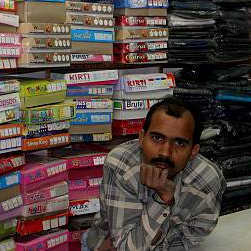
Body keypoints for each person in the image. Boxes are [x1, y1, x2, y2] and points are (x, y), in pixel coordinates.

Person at [84, 97, 226, 250]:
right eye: (157, 138)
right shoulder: (121, 166)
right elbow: (126, 248)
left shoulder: (207, 180)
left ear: (193, 151)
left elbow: (192, 238)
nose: (165, 152)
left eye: (179, 143)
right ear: (141, 138)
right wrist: (162, 200)